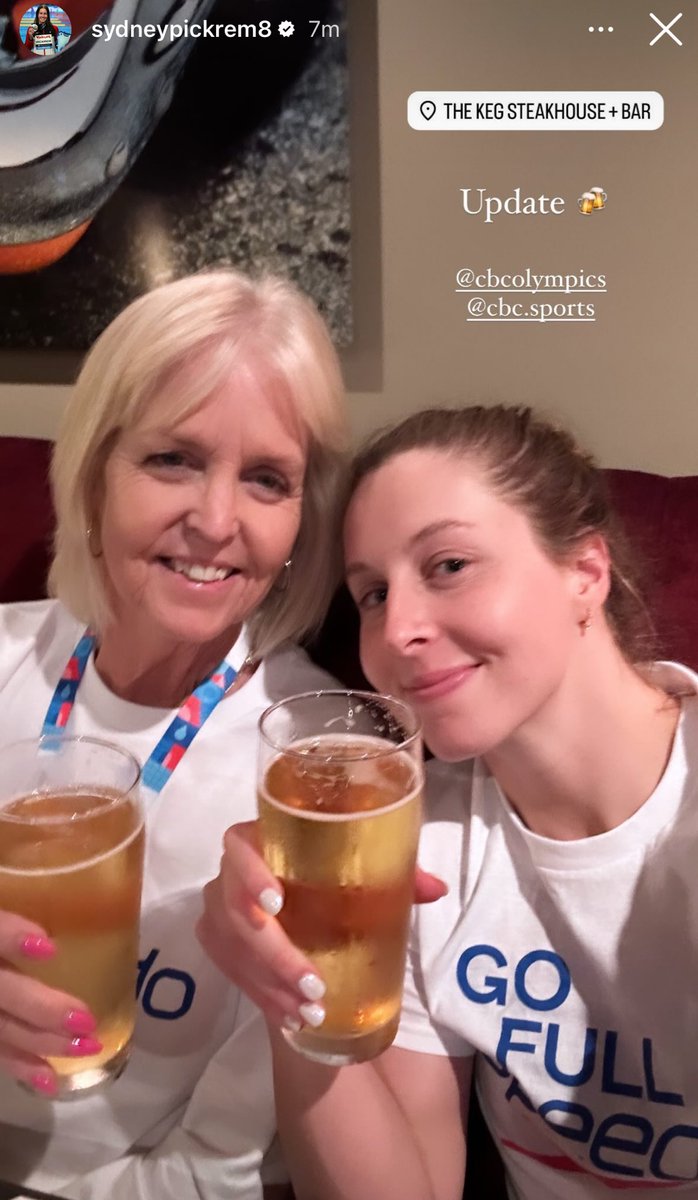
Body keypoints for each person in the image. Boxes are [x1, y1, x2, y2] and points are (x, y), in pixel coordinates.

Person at [197, 404, 698, 1200]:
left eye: (449, 565)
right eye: (369, 595)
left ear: (586, 574)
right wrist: (291, 984)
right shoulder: (413, 849)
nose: (397, 631)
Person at [0, 268, 347, 1200]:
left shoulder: (311, 772)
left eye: (267, 479)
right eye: (173, 460)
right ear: (94, 471)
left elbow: (221, 1163)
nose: (217, 521)